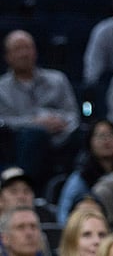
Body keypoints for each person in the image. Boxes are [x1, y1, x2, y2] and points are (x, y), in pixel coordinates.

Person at [0, 30, 80, 183]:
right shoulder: (1, 87)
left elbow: (73, 115)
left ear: (35, 52)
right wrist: (34, 123)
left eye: (28, 48)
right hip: (18, 145)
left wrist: (58, 122)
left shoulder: (58, 79)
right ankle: (25, 188)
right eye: (18, 49)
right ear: (7, 56)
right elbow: (3, 121)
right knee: (35, 135)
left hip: (60, 139)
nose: (24, 53)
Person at [57, 120, 113, 224]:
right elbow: (63, 214)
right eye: (100, 136)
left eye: (110, 134)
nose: (106, 140)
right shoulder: (80, 178)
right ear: (90, 142)